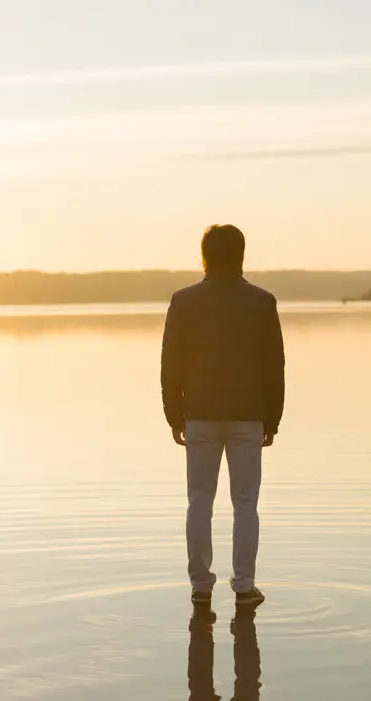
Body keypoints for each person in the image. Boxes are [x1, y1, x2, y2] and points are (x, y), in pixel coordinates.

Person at [161, 224, 286, 608]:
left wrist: (174, 416)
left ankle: (201, 586)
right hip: (248, 417)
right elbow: (275, 366)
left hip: (199, 415)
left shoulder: (183, 301)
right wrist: (272, 419)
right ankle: (244, 585)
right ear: (242, 255)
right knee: (245, 503)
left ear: (204, 256)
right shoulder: (262, 302)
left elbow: (170, 365)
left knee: (199, 500)